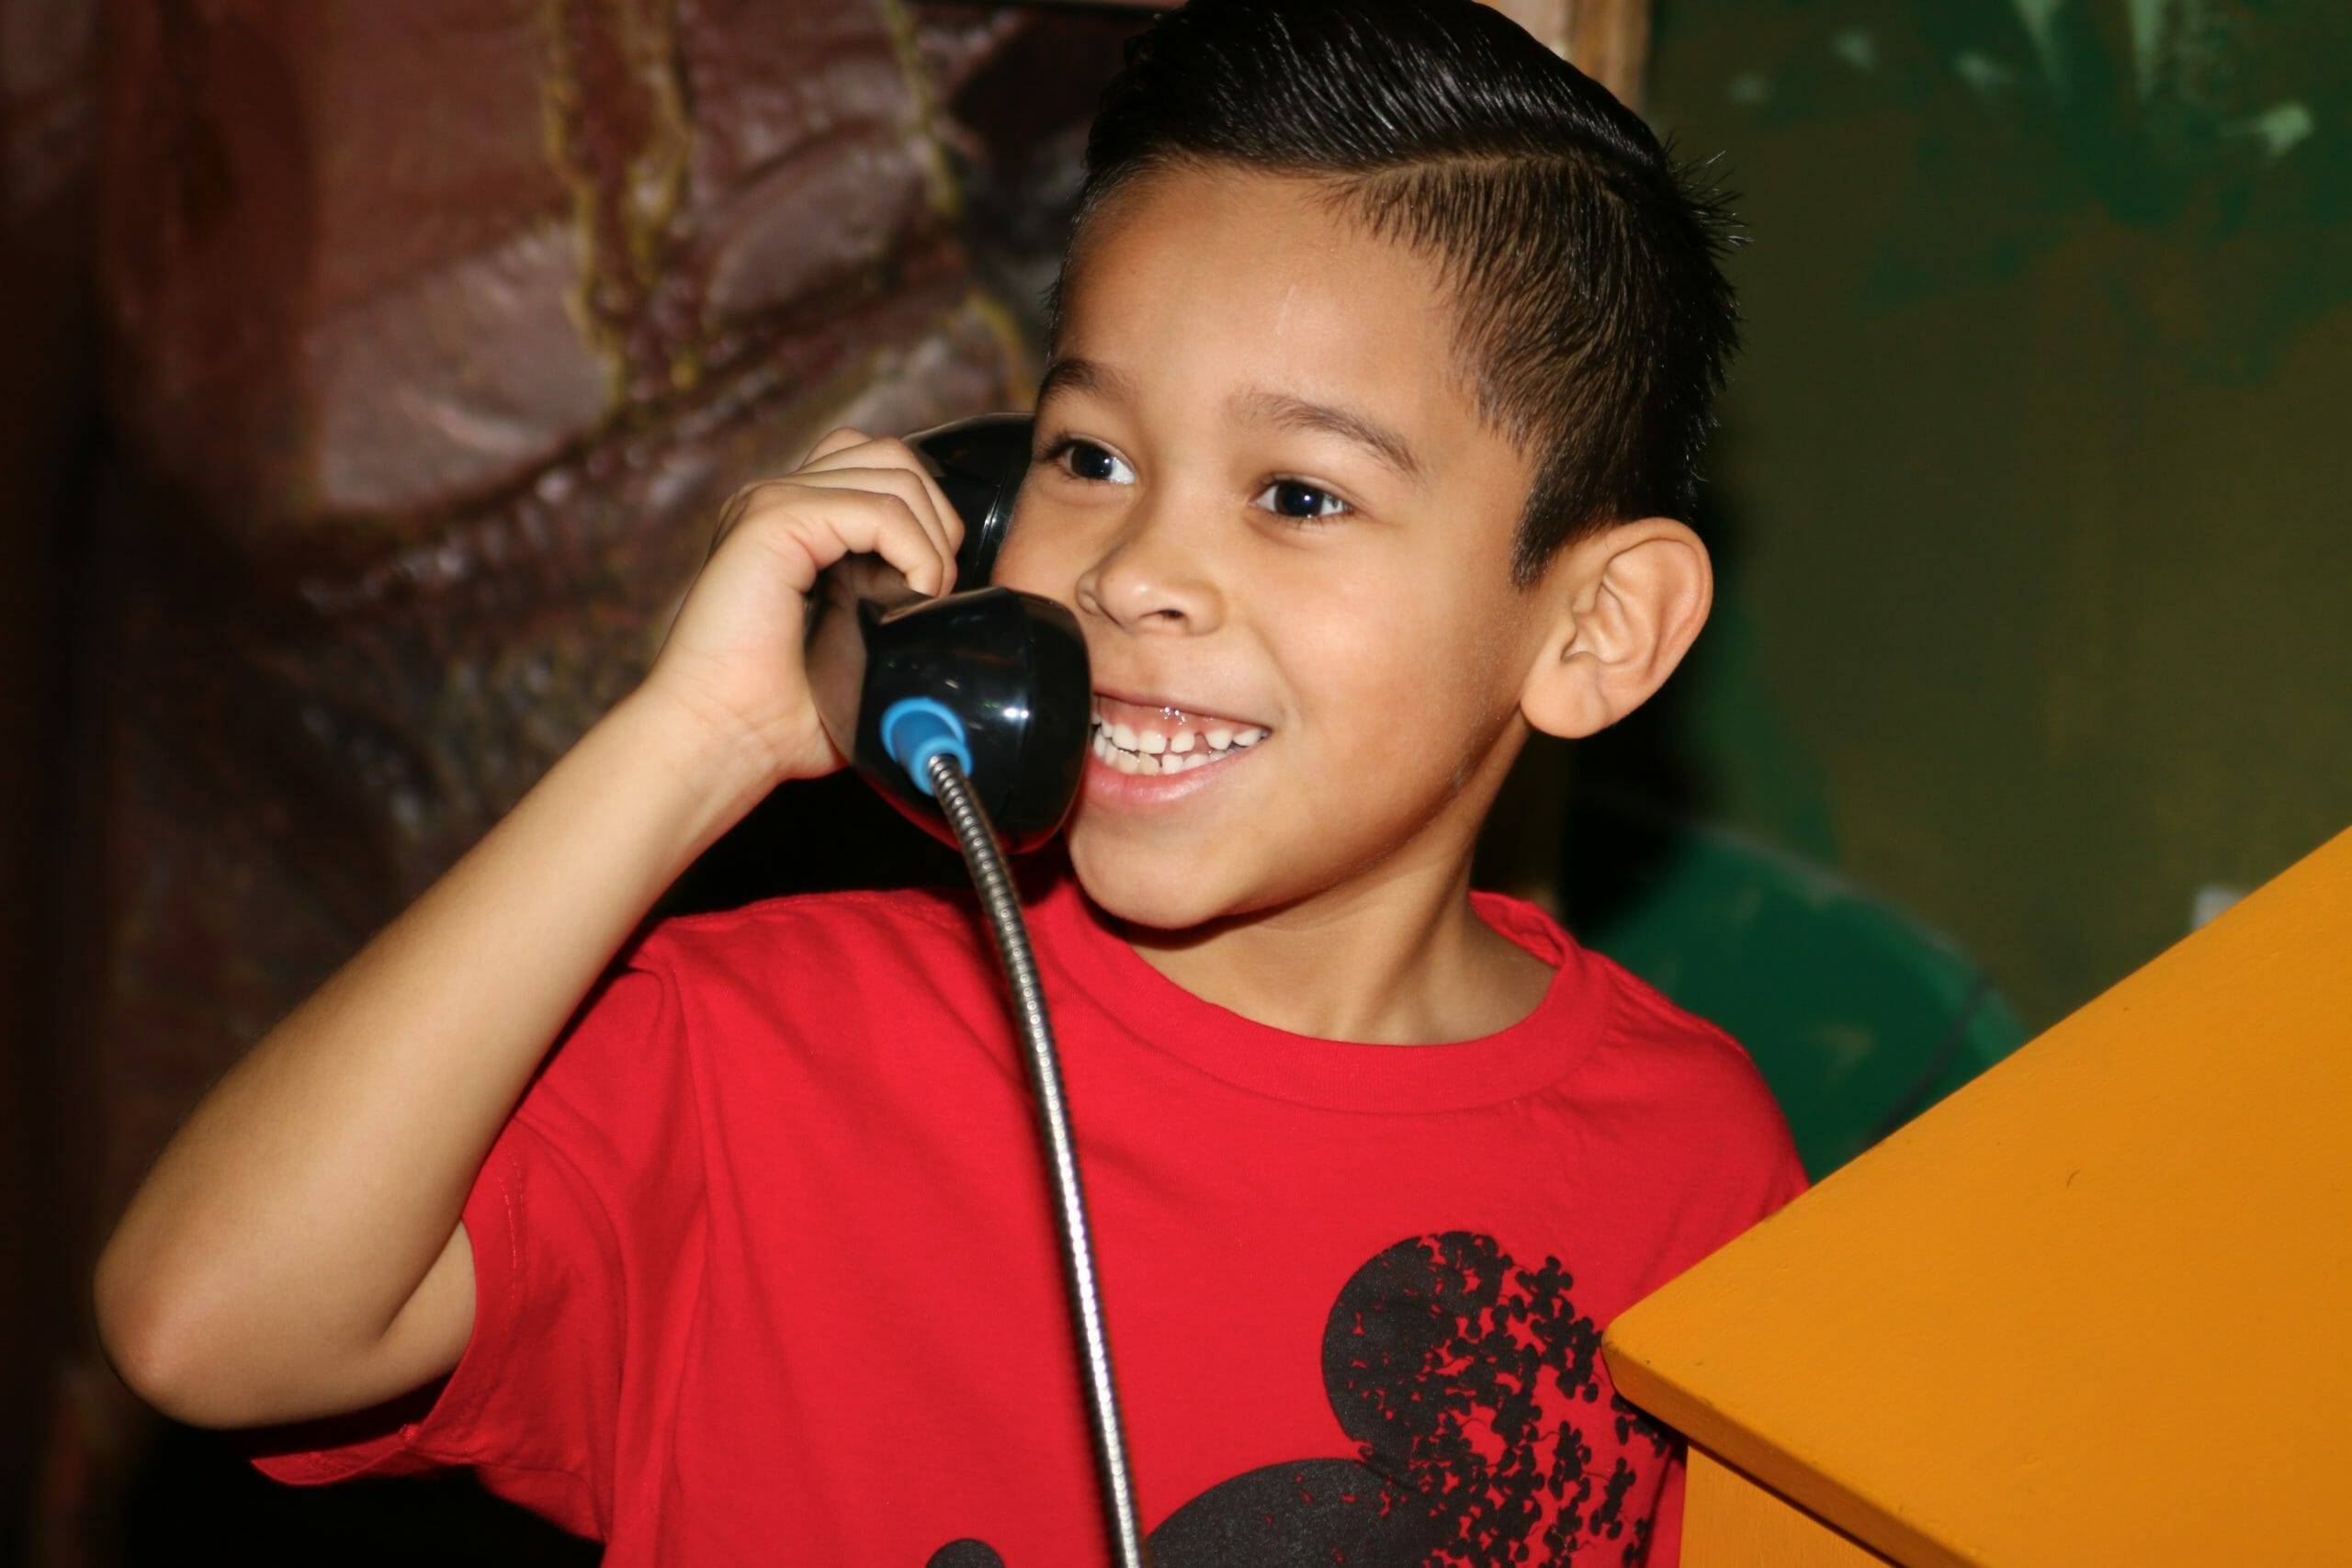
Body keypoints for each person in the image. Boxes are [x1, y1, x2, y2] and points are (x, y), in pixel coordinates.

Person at [93, 1, 1806, 1562]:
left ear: (1595, 628)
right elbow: (212, 1325)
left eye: (1296, 494)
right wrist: (697, 740)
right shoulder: (767, 1046)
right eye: (1089, 454)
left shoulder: (1690, 1165)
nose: (1139, 567)